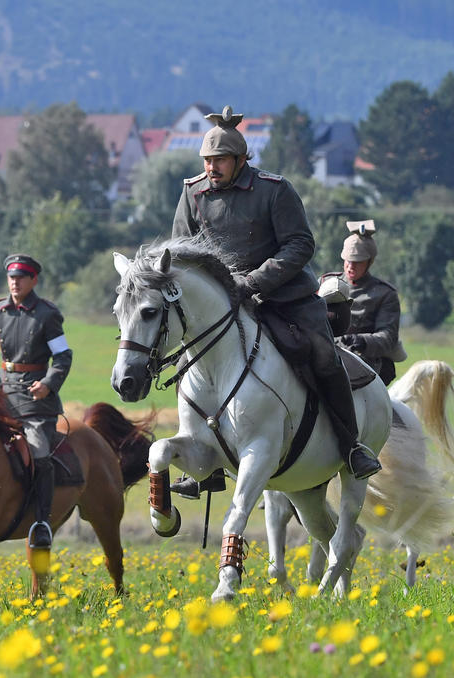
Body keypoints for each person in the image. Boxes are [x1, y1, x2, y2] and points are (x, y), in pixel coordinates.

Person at [169, 106, 381, 499]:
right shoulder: (192, 192)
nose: (212, 168)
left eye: (219, 161)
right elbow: (182, 252)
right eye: (207, 161)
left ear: (239, 160)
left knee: (322, 355)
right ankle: (205, 463)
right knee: (188, 363)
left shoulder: (274, 189)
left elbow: (301, 244)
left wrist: (253, 282)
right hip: (223, 306)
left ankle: (352, 447)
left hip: (283, 297)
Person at [0, 254, 73, 550]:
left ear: (33, 280)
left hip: (35, 400)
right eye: (11, 277)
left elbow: (63, 356)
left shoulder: (47, 314)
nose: (14, 282)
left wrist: (49, 384)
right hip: (0, 394)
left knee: (40, 453)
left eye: (21, 277)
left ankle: (41, 522)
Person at [319, 220, 405, 385]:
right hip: (325, 353)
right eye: (348, 260)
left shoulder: (385, 294)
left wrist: (362, 341)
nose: (350, 266)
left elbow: (388, 337)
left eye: (357, 262)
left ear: (369, 262)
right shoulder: (326, 283)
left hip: (364, 361)